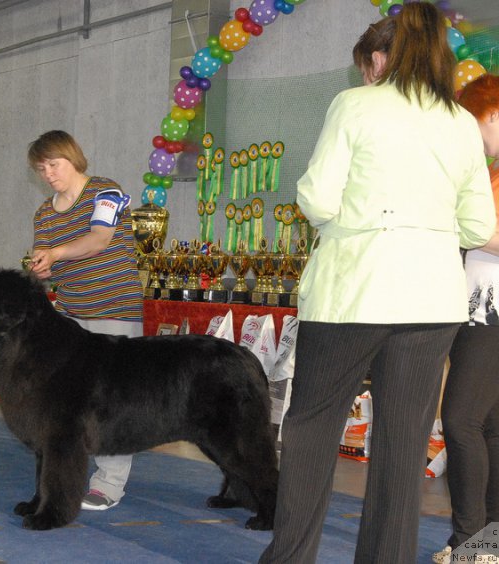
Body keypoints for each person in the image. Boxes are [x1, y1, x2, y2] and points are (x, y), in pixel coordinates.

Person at [259, 4, 496, 563]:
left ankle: (291, 558)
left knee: (313, 427)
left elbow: (315, 197)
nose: (365, 73)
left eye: (367, 63)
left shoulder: (355, 105)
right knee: (403, 443)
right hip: (433, 300)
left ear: (382, 59)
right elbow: (480, 226)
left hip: (355, 289)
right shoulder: (461, 121)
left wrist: (354, 222)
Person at [27, 130, 143, 511]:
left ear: (72, 157)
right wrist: (43, 269)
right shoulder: (44, 213)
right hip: (71, 319)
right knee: (70, 405)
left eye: (53, 164)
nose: (48, 173)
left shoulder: (105, 191)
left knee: (113, 403)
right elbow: (50, 267)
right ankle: (68, 475)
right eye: (41, 168)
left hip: (115, 312)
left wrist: (55, 253)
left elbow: (99, 239)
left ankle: (109, 484)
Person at [433, 73, 499, 564]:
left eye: (475, 126)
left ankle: (469, 541)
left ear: (492, 115)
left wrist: (456, 224)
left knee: (459, 420)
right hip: (475, 308)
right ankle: (487, 543)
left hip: (490, 314)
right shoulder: (491, 172)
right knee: (488, 426)